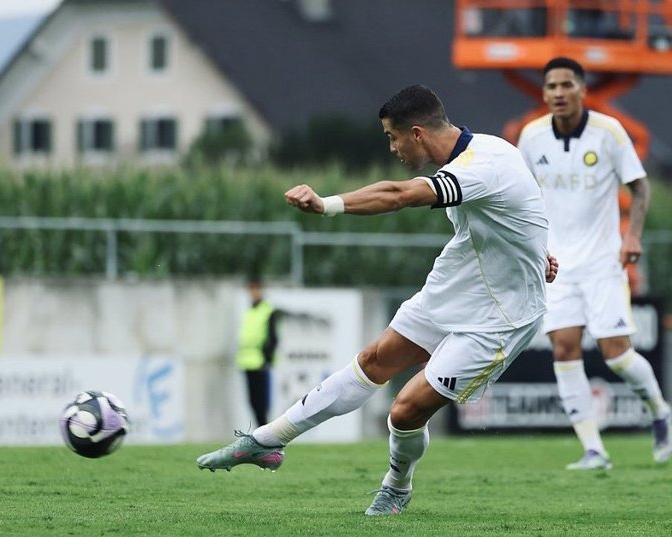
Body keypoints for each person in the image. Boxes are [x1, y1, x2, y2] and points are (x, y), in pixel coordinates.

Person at [196, 85, 558, 516]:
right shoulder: (481, 153)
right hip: (459, 284)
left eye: (392, 137)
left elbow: (399, 195)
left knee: (404, 410)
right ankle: (264, 442)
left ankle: (396, 486)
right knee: (372, 361)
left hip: (503, 315)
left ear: (418, 134)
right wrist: (540, 252)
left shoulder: (483, 163)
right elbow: (521, 206)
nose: (392, 147)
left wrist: (326, 205)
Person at [517, 57, 671, 469]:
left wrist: (633, 234)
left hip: (603, 261)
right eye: (551, 86)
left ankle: (660, 411)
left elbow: (639, 188)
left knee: (617, 354)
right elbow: (520, 195)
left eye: (567, 84)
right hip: (556, 264)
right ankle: (593, 449)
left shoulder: (608, 131)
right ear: (544, 92)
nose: (559, 92)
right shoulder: (530, 137)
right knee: (564, 349)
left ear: (583, 89)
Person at [237, 277, 281, 426]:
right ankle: (260, 432)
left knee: (262, 403)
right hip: (247, 362)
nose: (253, 292)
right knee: (252, 401)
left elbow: (273, 337)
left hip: (260, 362)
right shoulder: (249, 311)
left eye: (256, 289)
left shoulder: (267, 310)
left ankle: (264, 434)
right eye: (251, 289)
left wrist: (267, 359)